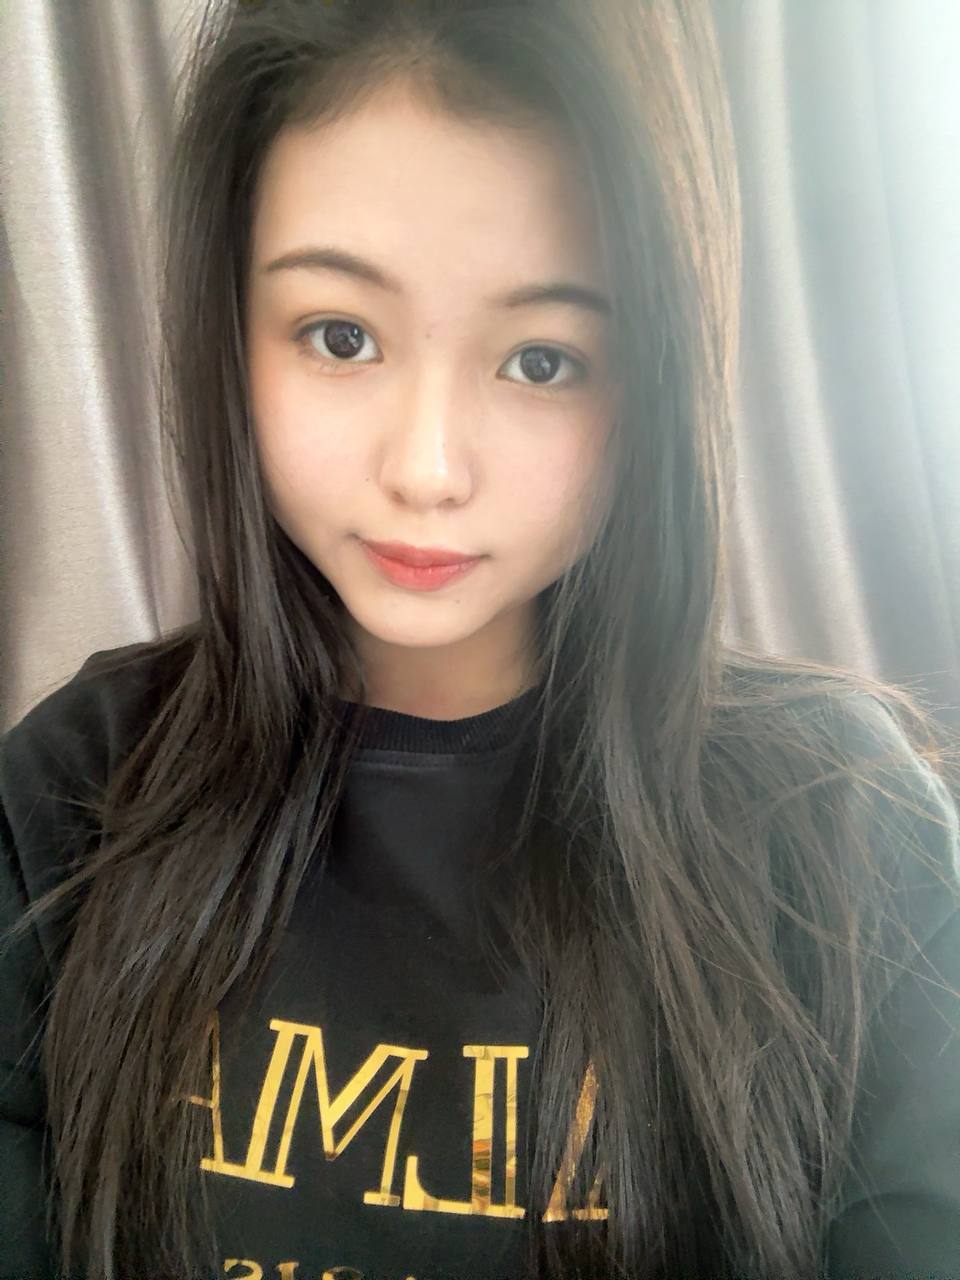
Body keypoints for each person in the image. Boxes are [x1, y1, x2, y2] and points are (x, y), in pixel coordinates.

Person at [2, 1, 959, 1277]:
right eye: (341, 336)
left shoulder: (844, 827)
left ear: (657, 380)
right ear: (230, 335)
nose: (429, 468)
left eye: (543, 360)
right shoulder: (71, 794)